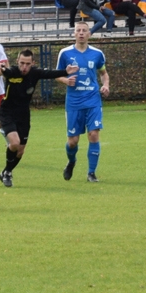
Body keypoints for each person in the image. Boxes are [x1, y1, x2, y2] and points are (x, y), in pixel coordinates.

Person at [0, 50, 77, 187]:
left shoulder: (34, 73)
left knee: (20, 150)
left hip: (23, 115)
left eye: (27, 64)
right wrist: (3, 69)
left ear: (33, 63)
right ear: (17, 62)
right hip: (7, 112)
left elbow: (49, 74)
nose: (24, 67)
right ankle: (7, 173)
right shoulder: (12, 72)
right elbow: (6, 72)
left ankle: (6, 171)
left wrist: (65, 72)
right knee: (14, 143)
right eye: (22, 63)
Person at [57, 22, 111, 182]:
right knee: (73, 142)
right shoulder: (65, 53)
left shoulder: (97, 53)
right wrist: (66, 81)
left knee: (93, 135)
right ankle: (71, 161)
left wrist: (106, 85)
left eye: (84, 30)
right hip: (74, 102)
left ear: (89, 34)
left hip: (93, 100)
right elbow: (56, 74)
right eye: (78, 30)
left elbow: (103, 73)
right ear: (74, 34)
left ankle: (91, 173)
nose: (81, 33)